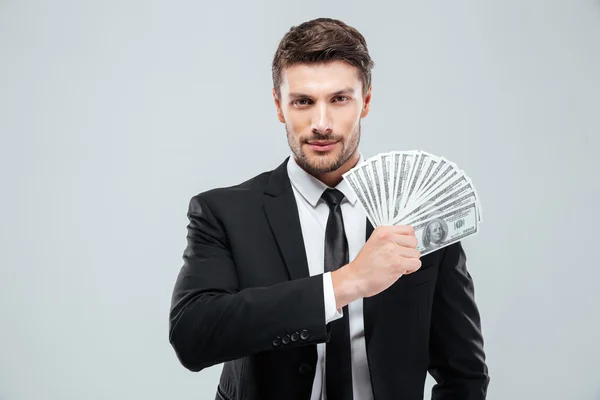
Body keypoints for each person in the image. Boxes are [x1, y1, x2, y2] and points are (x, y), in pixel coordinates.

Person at [169, 17, 489, 400]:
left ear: (365, 102)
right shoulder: (223, 212)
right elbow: (193, 336)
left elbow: (464, 374)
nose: (321, 124)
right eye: (303, 101)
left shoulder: (420, 212)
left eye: (339, 99)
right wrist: (347, 283)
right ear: (279, 106)